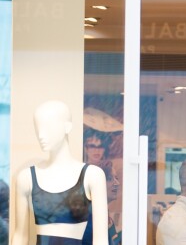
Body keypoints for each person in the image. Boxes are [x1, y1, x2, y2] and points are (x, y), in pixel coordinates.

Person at [12, 100, 109, 245]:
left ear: (67, 127)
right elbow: (20, 237)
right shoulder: (26, 178)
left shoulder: (93, 176)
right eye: (37, 127)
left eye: (47, 127)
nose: (41, 134)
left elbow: (101, 240)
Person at [99, 160, 121, 245]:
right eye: (110, 179)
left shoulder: (107, 217)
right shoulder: (92, 216)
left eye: (116, 178)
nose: (117, 183)